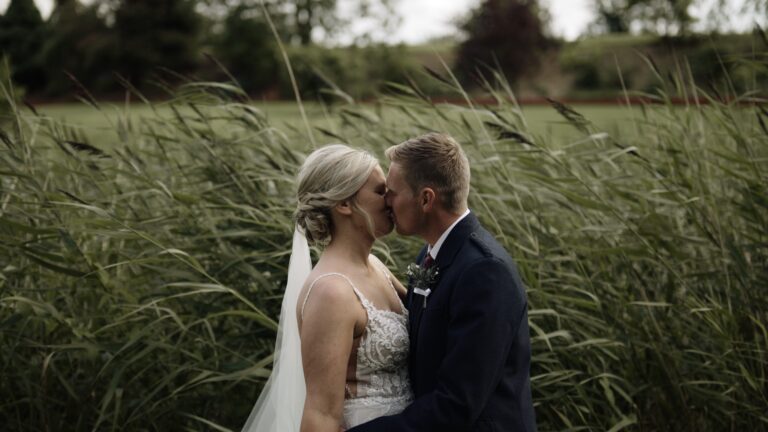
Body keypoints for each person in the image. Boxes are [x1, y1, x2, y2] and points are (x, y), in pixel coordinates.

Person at [348, 132, 536, 432]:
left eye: (393, 192)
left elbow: (457, 404)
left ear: (425, 199)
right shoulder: (432, 255)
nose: (386, 202)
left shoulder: (484, 272)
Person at [241, 144, 413, 432]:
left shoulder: (377, 266)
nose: (390, 200)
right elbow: (321, 414)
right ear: (344, 205)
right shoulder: (331, 292)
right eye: (380, 191)